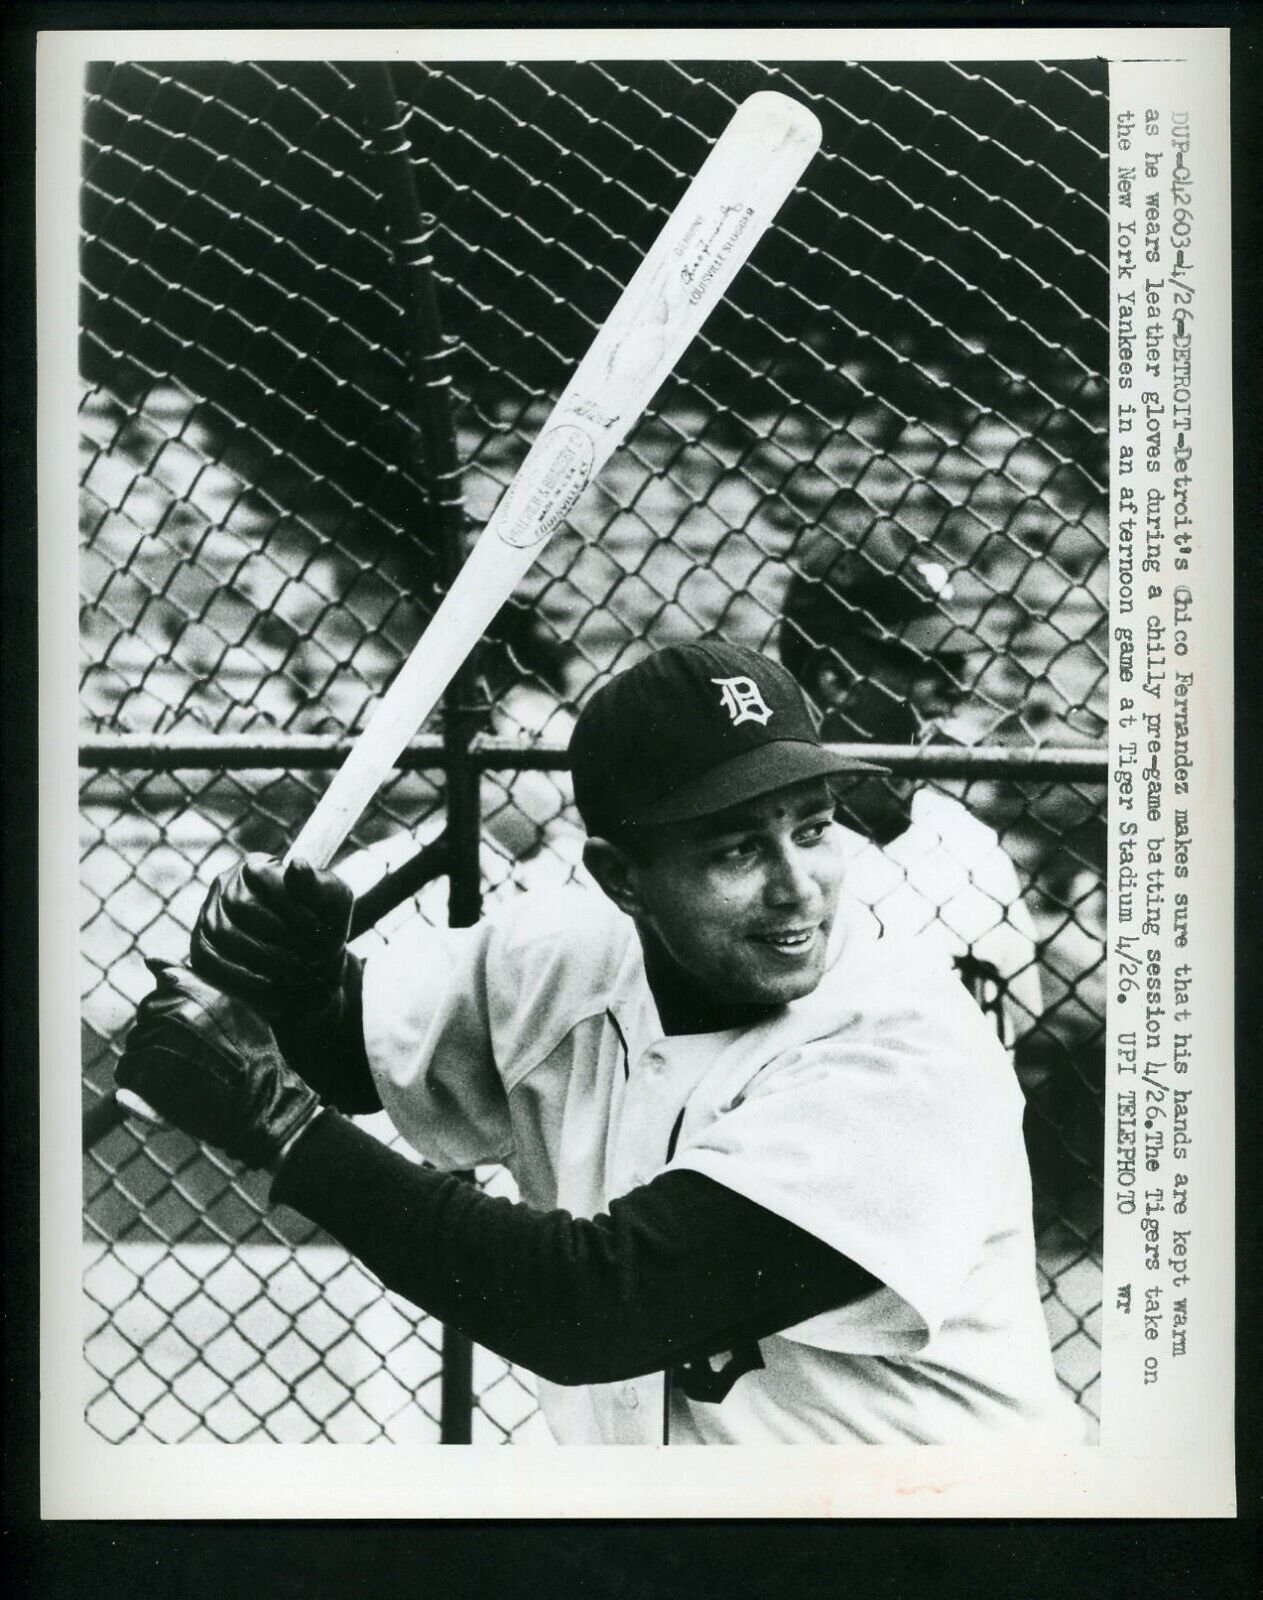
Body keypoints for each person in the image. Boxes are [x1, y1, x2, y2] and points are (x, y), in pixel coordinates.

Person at [117, 640, 1080, 1446]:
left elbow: (594, 1308)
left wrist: (280, 1127)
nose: (799, 888)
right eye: (736, 850)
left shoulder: (907, 1050)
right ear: (622, 881)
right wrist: (298, 983)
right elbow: (353, 1052)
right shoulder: (563, 956)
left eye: (814, 828)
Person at [779, 543, 1045, 1051]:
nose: (956, 689)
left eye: (959, 666)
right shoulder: (764, 862)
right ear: (835, 679)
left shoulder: (972, 848)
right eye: (928, 664)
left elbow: (1020, 1026)